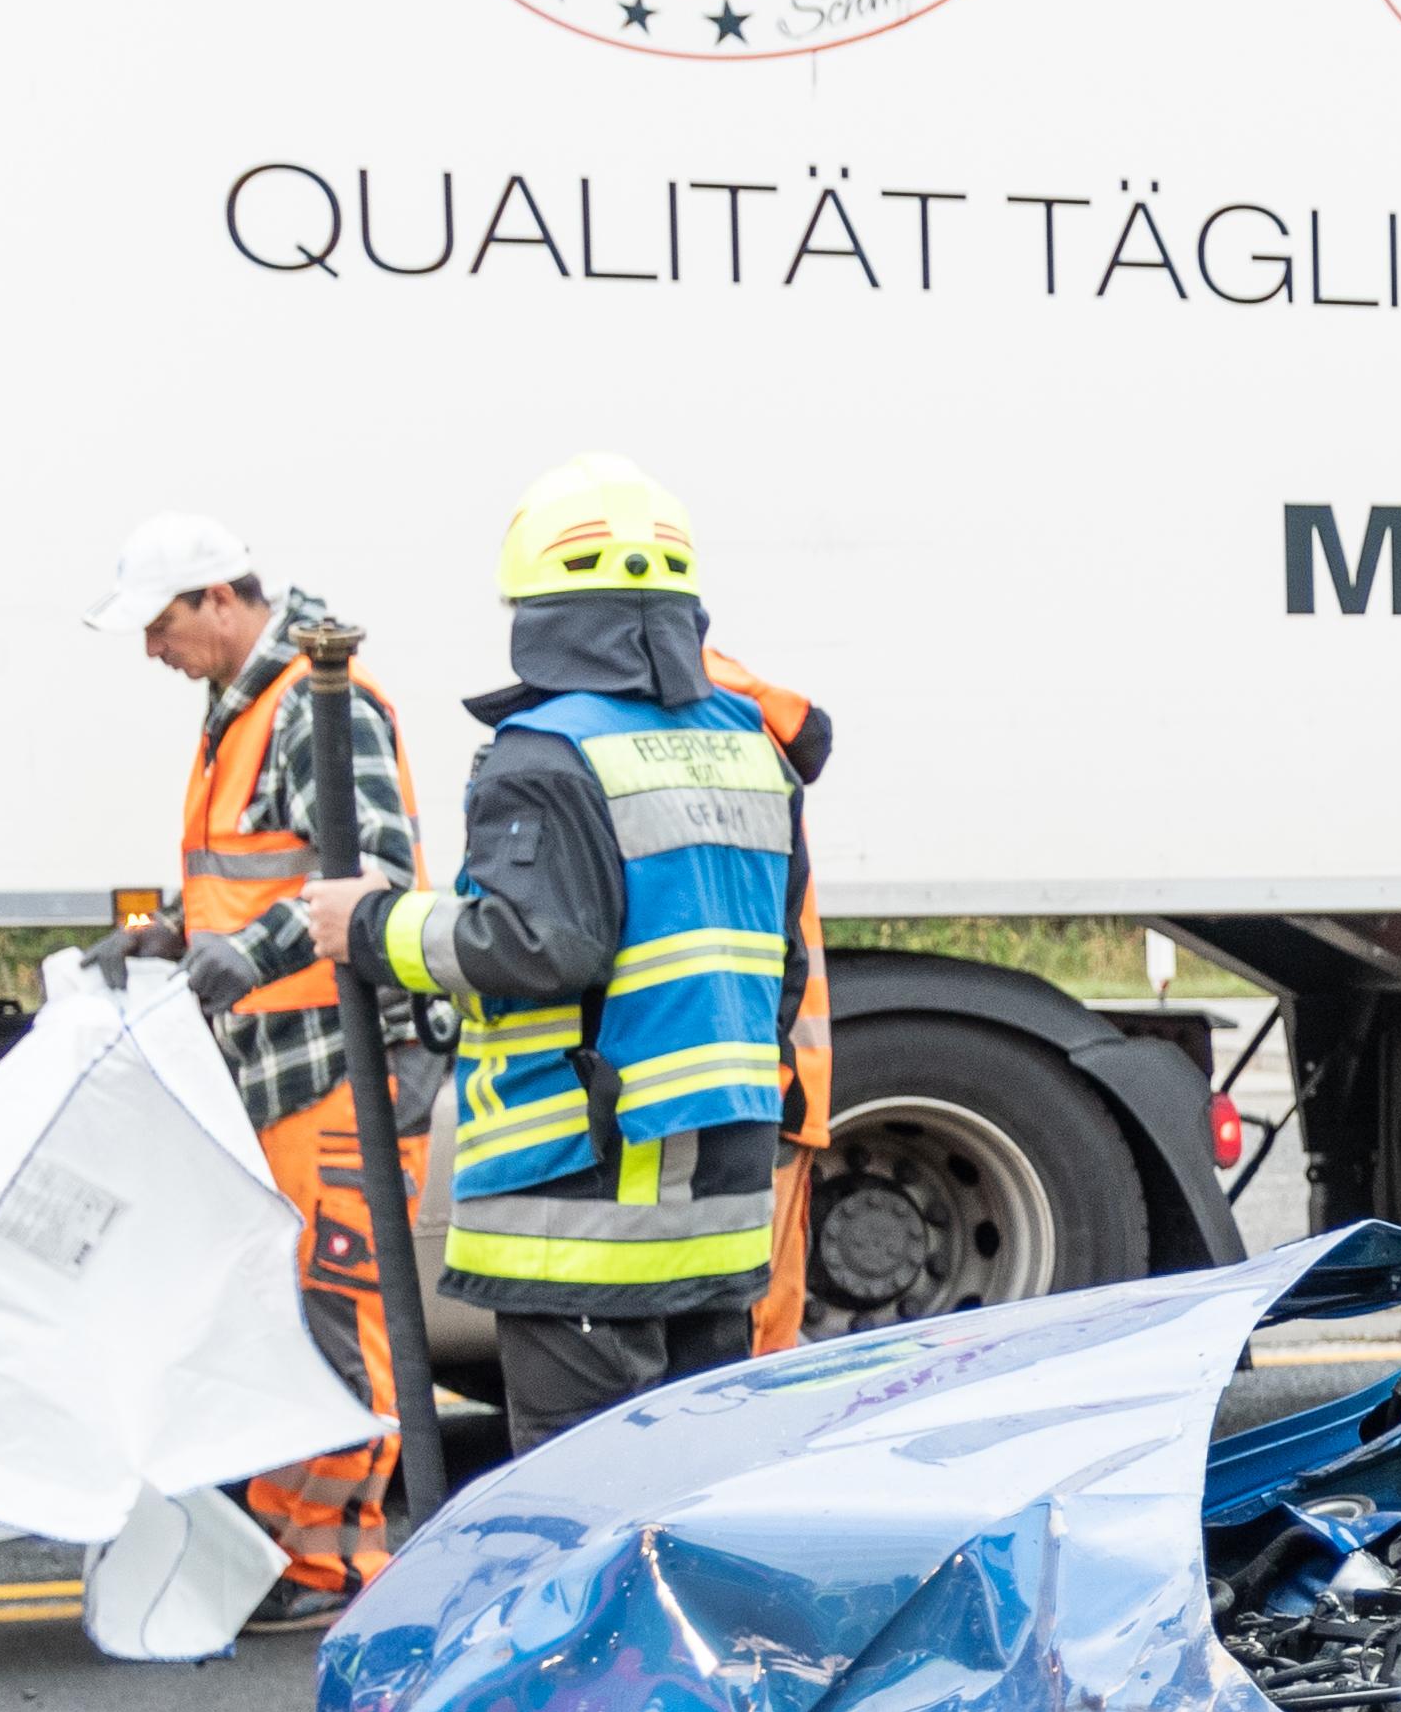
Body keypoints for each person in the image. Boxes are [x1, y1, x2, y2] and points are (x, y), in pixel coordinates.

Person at [300, 458, 803, 1461]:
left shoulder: (546, 755)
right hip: (723, 1207)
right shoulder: (750, 744)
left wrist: (369, 925)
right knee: (699, 1494)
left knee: (588, 1515)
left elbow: (538, 945)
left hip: (585, 1214)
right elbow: (782, 962)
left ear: (534, 606)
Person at [84, 509, 429, 1632]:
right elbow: (258, 873)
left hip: (339, 1063)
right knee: (294, 1311)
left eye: (158, 625)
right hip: (281, 1064)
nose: (150, 650)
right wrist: (175, 931)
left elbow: (375, 871)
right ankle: (298, 1538)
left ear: (219, 601)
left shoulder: (322, 704)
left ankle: (330, 1563)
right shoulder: (241, 713)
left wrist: (249, 951)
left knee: (339, 1311)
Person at [708, 647, 842, 1355]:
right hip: (777, 1071)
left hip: (759, 1073)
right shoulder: (740, 712)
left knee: (746, 1332)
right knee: (762, 1319)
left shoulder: (702, 721)